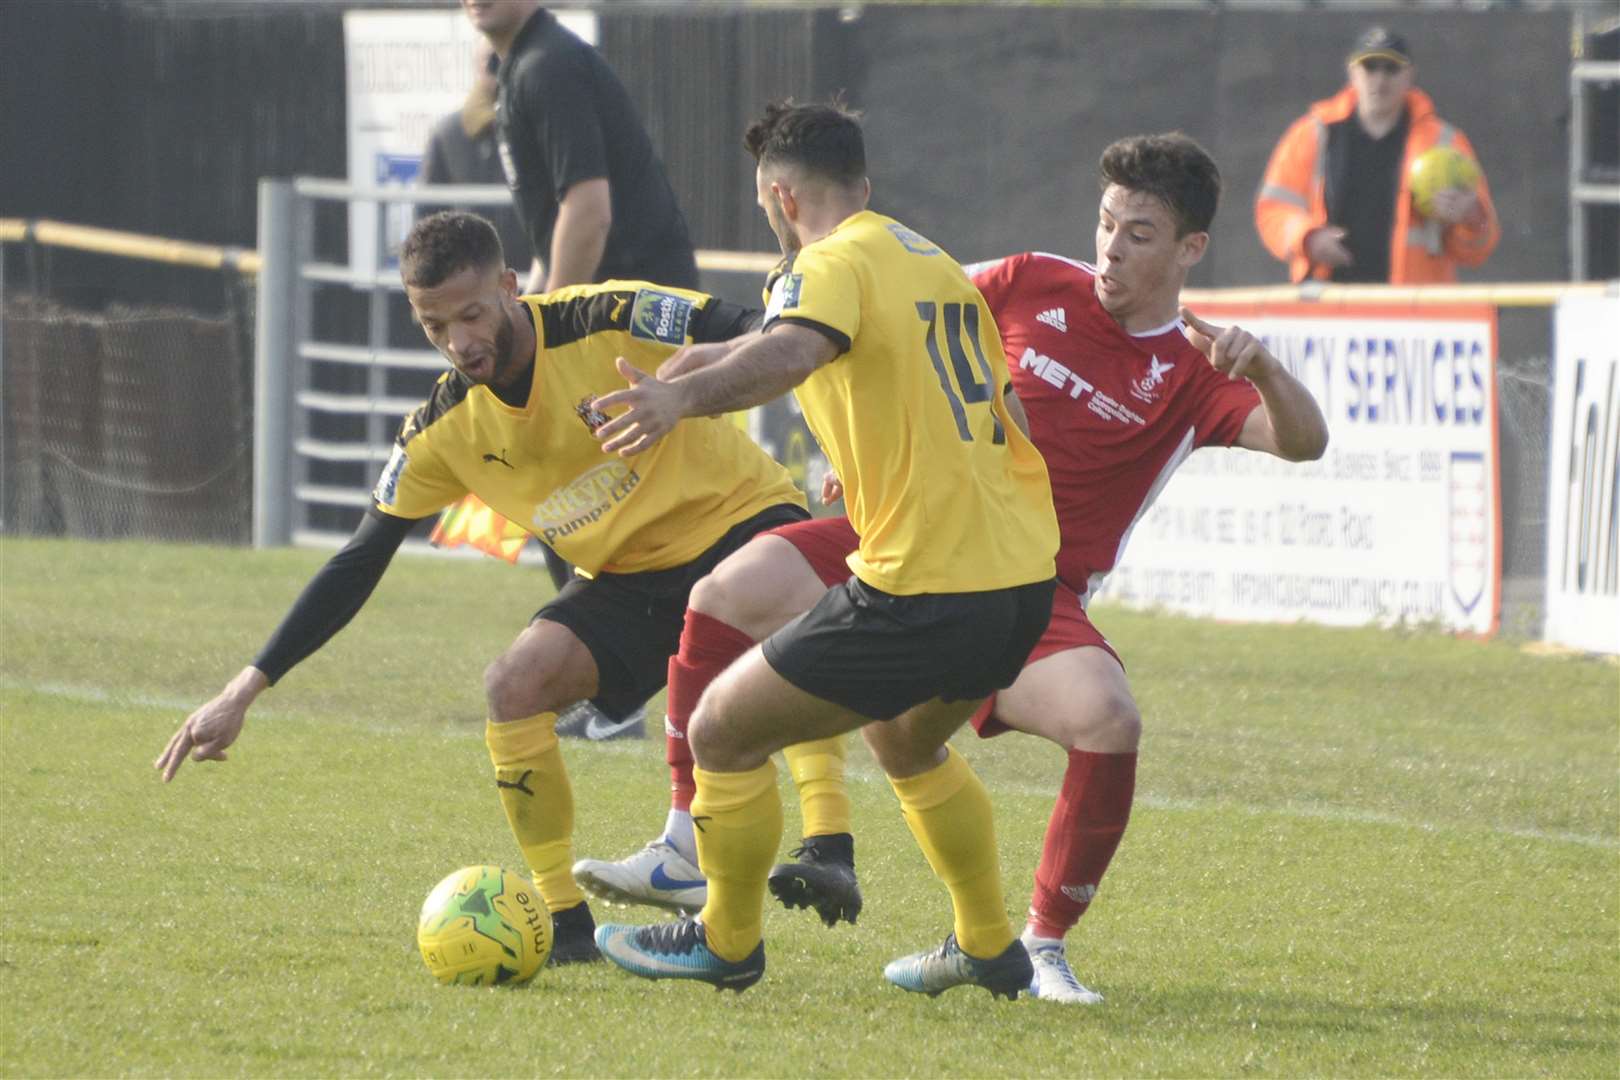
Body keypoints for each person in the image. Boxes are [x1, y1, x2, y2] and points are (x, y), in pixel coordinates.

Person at [581, 132, 1329, 1004]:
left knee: (1105, 720)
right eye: (1106, 223)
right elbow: (887, 333)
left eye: (1140, 234)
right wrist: (766, 399)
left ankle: (1035, 944)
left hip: (1029, 584)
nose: (1111, 249)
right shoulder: (1031, 279)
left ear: (1191, 249)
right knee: (726, 595)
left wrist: (1267, 367)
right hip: (901, 531)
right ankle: (683, 844)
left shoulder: (1196, 370)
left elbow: (1304, 443)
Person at [153, 210, 811, 967]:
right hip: (630, 579)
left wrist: (695, 383)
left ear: (508, 286)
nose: (459, 341)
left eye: (470, 314)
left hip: (744, 522)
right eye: (435, 326)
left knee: (784, 677)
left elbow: (774, 328)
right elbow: (358, 560)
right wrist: (244, 688)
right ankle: (564, 922)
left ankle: (826, 842)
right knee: (513, 684)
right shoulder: (443, 429)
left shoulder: (606, 315)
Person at [587, 99, 1061, 998]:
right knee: (903, 741)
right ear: (864, 187)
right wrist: (699, 366)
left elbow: (795, 349)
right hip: (1020, 579)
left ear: (780, 197)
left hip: (923, 583)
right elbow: (1004, 410)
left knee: (723, 729)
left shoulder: (825, 262)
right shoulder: (928, 262)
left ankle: (725, 943)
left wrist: (678, 403)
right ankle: (989, 945)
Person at [456, 0, 706, 733]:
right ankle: (616, 689)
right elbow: (559, 222)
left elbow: (588, 210)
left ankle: (621, 689)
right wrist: (538, 296)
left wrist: (544, 324)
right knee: (572, 491)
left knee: (588, 493)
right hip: (612, 312)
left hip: (627, 321)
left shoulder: (548, 65)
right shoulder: (523, 68)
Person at [1255, 26, 1498, 284]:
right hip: (1327, 306)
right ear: (1352, 72)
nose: (1380, 79)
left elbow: (1478, 247)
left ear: (1410, 75)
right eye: (1370, 67)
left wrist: (1471, 219)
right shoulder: (1312, 135)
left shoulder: (1445, 143)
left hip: (1411, 309)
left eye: (1391, 69)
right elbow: (1273, 210)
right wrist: (1307, 238)